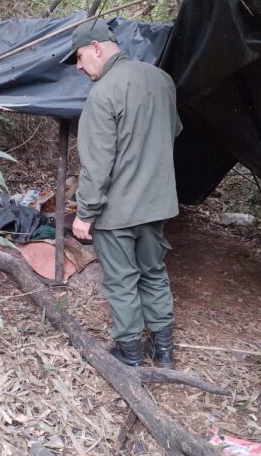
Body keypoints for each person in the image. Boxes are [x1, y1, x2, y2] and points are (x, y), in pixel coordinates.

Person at [61, 20, 182, 368]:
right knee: (154, 272)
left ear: (97, 48)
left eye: (81, 57)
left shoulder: (104, 93)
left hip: (117, 211)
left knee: (121, 280)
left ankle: (130, 353)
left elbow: (97, 165)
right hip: (156, 205)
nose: (80, 67)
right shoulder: (162, 80)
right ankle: (164, 351)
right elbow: (171, 132)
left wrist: (85, 213)